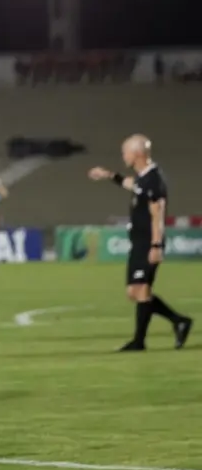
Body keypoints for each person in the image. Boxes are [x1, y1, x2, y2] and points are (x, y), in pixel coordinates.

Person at [88, 134, 192, 351]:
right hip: (139, 242)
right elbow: (133, 185)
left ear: (136, 154)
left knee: (142, 289)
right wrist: (108, 175)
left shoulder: (154, 179)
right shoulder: (144, 178)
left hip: (148, 242)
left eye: (125, 152)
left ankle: (139, 341)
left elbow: (158, 214)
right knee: (133, 292)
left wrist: (156, 245)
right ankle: (178, 321)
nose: (123, 156)